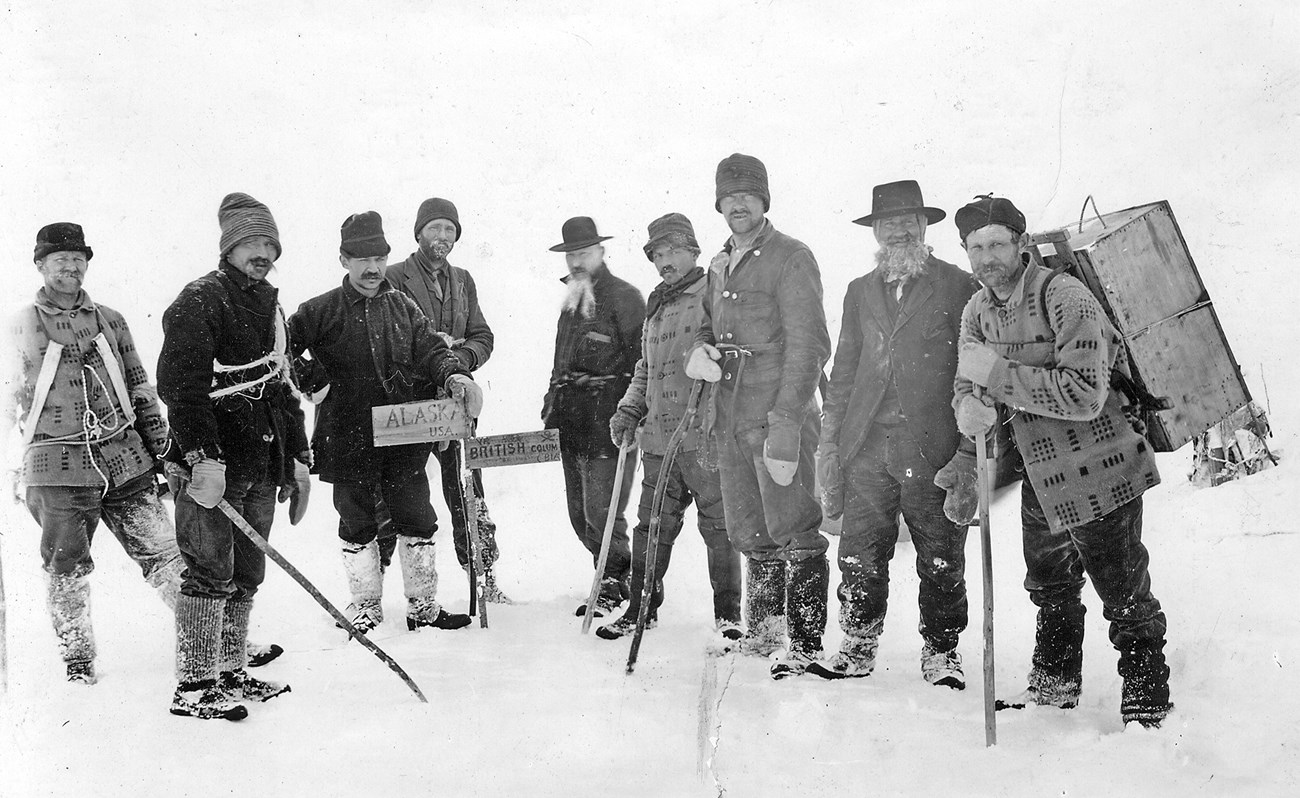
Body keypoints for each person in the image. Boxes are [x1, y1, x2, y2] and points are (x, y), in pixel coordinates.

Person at [952, 194, 1173, 728]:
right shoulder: (977, 308)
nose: (987, 257)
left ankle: (1147, 696)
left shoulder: (1065, 296)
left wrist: (995, 377)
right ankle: (1055, 685)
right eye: (976, 247)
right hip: (1037, 465)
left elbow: (1085, 395)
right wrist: (969, 405)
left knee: (1120, 585)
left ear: (1022, 244)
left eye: (998, 243)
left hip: (1101, 466)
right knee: (1048, 581)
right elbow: (968, 374)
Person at [811, 181, 980, 687]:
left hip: (932, 448)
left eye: (909, 220)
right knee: (859, 553)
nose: (899, 230)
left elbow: (973, 368)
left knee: (940, 555)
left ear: (925, 226)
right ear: (877, 232)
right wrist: (830, 442)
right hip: (866, 448)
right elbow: (844, 373)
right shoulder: (860, 291)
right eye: (889, 222)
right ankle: (858, 647)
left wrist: (968, 451)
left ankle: (941, 652)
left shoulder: (956, 285)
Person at [4, 222, 181, 685]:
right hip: (55, 468)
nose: (71, 266)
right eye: (59, 259)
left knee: (167, 555)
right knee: (66, 569)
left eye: (78, 258)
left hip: (124, 458)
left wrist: (161, 444)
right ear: (41, 265)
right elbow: (9, 400)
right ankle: (78, 661)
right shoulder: (19, 324)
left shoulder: (111, 319)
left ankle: (219, 639)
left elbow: (140, 383)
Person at [289, 211, 481, 636]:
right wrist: (310, 379)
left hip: (403, 433)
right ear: (344, 260)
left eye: (379, 258)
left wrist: (453, 375)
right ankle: (365, 607)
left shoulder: (401, 305)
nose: (373, 268)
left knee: (417, 516)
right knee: (356, 521)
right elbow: (281, 350)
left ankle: (423, 606)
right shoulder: (319, 310)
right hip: (346, 433)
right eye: (361, 259)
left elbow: (432, 349)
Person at [157, 193, 309, 721]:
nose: (262, 253)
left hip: (262, 463)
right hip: (213, 467)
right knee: (207, 570)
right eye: (251, 242)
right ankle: (196, 686)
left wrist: (299, 460)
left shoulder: (271, 304)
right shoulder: (199, 300)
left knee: (247, 572)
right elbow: (180, 386)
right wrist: (203, 458)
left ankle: (230, 671)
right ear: (229, 247)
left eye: (269, 244)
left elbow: (282, 385)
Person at [684, 154, 831, 679]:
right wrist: (697, 353)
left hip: (776, 415)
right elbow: (705, 327)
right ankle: (765, 634)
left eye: (748, 196)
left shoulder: (791, 257)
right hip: (728, 416)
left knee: (794, 525)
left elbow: (810, 343)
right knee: (749, 528)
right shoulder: (719, 263)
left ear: (764, 201)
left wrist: (788, 419)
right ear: (719, 204)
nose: (737, 205)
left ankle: (806, 644)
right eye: (729, 197)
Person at [599, 213, 742, 641]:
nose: (665, 261)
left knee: (719, 528)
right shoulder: (656, 304)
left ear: (693, 251)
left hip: (705, 437)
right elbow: (645, 367)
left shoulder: (713, 291)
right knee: (651, 526)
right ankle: (640, 608)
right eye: (657, 254)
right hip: (660, 440)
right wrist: (628, 409)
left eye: (673, 251)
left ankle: (728, 617)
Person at [385, 197, 509, 603]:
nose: (443, 236)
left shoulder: (463, 280)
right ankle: (378, 590)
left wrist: (457, 361)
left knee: (468, 490)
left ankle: (485, 579)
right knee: (396, 493)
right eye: (435, 228)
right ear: (418, 232)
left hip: (457, 403)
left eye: (450, 229)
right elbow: (381, 339)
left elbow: (483, 337)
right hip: (407, 405)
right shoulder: (391, 277)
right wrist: (426, 355)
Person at [541, 217, 645, 618]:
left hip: (609, 417)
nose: (577, 260)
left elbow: (643, 360)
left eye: (584, 252)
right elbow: (559, 361)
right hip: (571, 420)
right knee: (579, 513)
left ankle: (614, 583)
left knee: (602, 510)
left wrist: (631, 412)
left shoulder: (625, 297)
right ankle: (612, 577)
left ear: (601, 252)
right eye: (572, 254)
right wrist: (551, 405)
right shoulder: (571, 300)